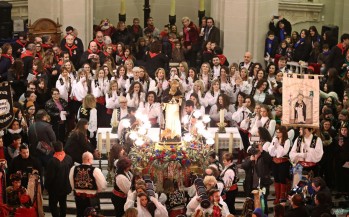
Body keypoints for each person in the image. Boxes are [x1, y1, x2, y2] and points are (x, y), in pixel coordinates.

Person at [69, 152, 107, 217]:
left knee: (80, 214)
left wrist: (76, 189)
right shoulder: (95, 170)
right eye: (92, 159)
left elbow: (71, 182)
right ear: (89, 160)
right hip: (91, 198)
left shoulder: (74, 169)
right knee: (92, 215)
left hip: (79, 197)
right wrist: (97, 190)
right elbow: (103, 185)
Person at [45, 141, 73, 217]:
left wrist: (46, 186)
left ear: (54, 149)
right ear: (62, 147)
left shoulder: (52, 161)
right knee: (63, 204)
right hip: (65, 186)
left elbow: (50, 176)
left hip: (54, 188)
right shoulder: (68, 158)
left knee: (52, 205)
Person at [268, 126, 291, 204]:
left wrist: (277, 145)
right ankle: (277, 197)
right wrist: (274, 145)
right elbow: (271, 151)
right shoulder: (275, 139)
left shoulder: (287, 141)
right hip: (275, 161)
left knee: (282, 178)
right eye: (277, 132)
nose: (277, 134)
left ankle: (282, 196)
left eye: (279, 132)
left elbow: (283, 152)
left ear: (283, 132)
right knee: (276, 178)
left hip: (283, 162)